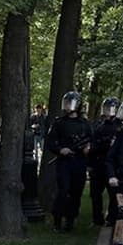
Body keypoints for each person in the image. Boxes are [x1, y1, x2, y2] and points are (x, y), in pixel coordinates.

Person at [46, 91, 94, 232]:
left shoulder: (85, 124)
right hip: (64, 162)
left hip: (79, 161)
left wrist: (88, 148)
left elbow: (92, 140)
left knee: (76, 192)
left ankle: (70, 220)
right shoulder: (59, 123)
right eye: (66, 103)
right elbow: (50, 142)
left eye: (70, 103)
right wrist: (60, 150)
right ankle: (57, 220)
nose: (67, 106)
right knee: (63, 190)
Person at [89, 97, 120, 226]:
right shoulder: (98, 126)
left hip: (112, 165)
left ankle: (112, 218)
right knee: (95, 193)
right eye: (106, 109)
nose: (107, 112)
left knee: (114, 193)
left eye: (110, 109)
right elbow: (93, 146)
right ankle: (97, 218)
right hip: (98, 163)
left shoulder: (120, 126)